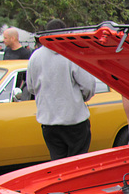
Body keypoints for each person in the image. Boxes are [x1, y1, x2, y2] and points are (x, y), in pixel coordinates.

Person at [28, 19, 96, 160]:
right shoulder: (72, 54)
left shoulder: (35, 57)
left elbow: (31, 87)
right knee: (77, 163)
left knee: (58, 164)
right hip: (74, 120)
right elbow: (88, 85)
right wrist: (78, 98)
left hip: (48, 121)